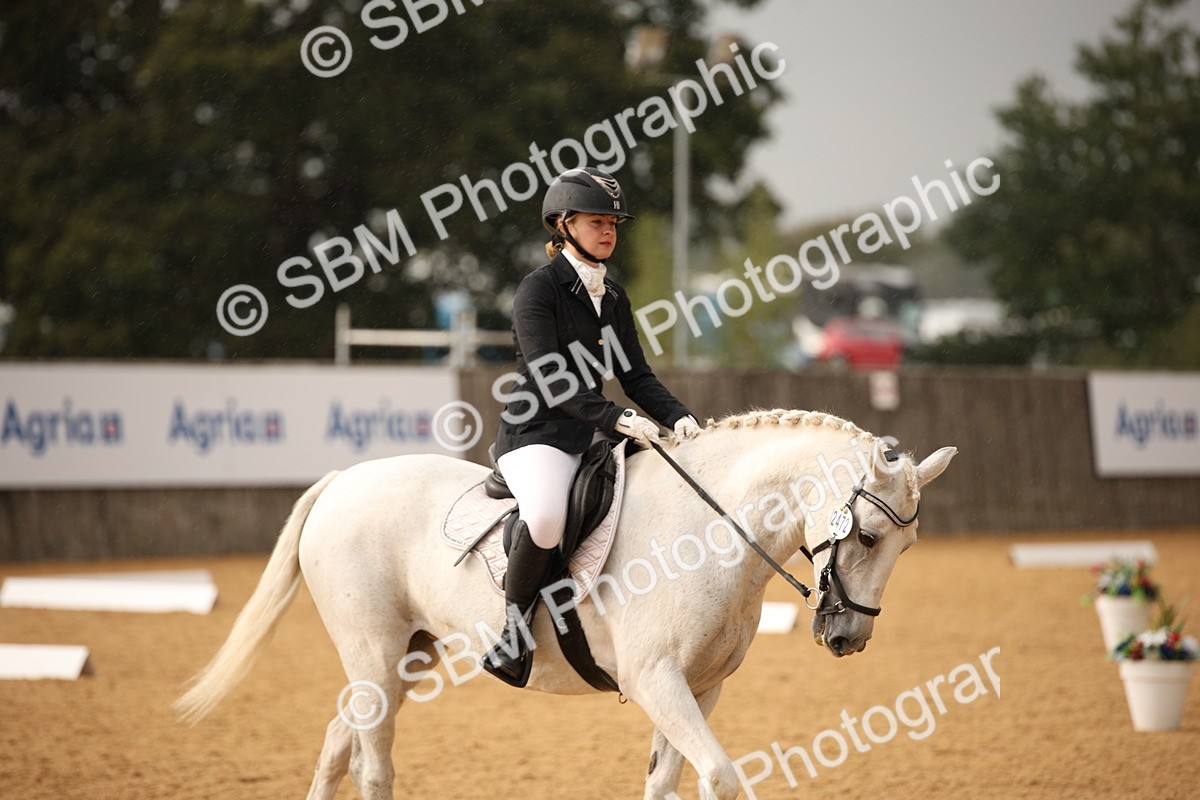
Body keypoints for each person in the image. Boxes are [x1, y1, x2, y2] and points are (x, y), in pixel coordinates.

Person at [481, 167, 702, 686]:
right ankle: (513, 635)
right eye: (596, 221)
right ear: (563, 225)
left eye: (613, 223)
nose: (608, 231)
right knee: (546, 518)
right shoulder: (538, 289)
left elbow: (636, 376)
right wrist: (615, 417)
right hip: (535, 434)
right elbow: (549, 375)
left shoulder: (615, 297)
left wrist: (682, 419)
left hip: (590, 435)